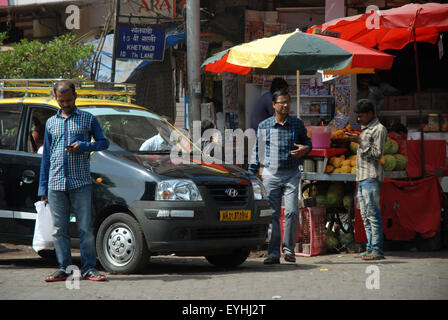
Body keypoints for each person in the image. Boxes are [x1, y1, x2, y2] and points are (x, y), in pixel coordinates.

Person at [38, 80, 110, 282]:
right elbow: (47, 158)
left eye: (69, 100)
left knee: (85, 228)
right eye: (61, 101)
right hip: (56, 183)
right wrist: (43, 187)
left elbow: (104, 143)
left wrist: (84, 146)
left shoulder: (88, 119)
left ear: (75, 96)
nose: (65, 104)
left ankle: (89, 269)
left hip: (80, 183)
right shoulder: (51, 123)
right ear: (56, 98)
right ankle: (65, 269)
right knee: (59, 230)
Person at [248, 90, 312, 264]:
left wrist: (305, 149)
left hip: (292, 174)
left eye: (288, 102)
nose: (285, 105)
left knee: (292, 211)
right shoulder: (264, 125)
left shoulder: (297, 124)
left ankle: (289, 250)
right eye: (282, 102)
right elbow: (257, 150)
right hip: (271, 174)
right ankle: (274, 253)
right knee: (273, 214)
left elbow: (307, 142)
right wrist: (251, 171)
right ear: (274, 105)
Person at [346, 99, 387, 261]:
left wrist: (359, 141)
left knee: (373, 214)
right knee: (364, 214)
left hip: (371, 176)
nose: (358, 119)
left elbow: (377, 154)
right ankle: (370, 248)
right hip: (362, 177)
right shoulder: (365, 128)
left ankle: (377, 250)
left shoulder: (379, 129)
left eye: (361, 116)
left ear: (370, 114)